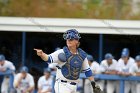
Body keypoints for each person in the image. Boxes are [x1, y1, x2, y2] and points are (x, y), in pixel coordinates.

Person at [34, 29, 101, 93]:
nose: (68, 41)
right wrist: (42, 54)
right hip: (62, 84)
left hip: (74, 86)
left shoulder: (82, 55)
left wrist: (94, 85)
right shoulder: (61, 52)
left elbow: (88, 71)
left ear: (77, 41)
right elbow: (48, 58)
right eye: (67, 39)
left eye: (71, 39)